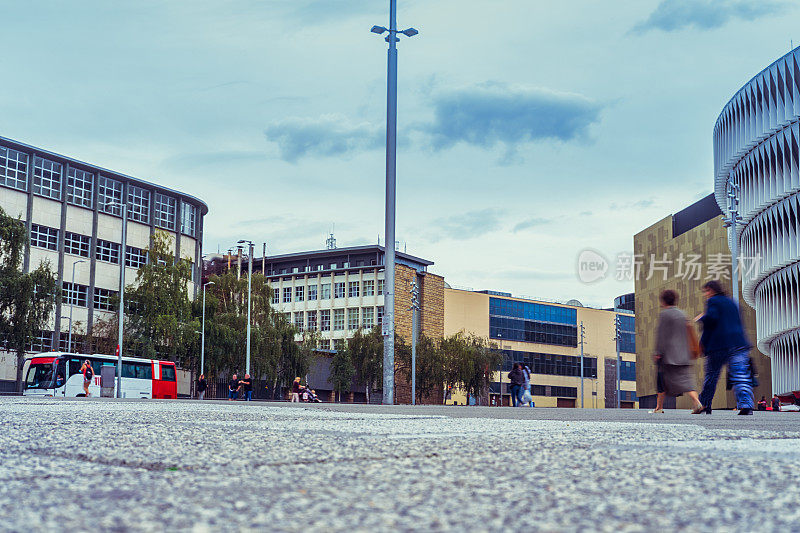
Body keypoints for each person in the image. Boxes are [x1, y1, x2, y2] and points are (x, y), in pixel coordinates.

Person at [694, 280, 755, 415]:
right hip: (739, 343)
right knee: (740, 375)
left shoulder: (713, 301)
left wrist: (702, 319)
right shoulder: (733, 303)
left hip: (719, 344)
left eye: (706, 291)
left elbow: (711, 321)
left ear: (711, 290)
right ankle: (746, 405)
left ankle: (704, 404)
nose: (705, 295)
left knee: (711, 376)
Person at [651, 290, 703, 413]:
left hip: (669, 355)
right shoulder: (682, 314)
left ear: (663, 301)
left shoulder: (665, 314)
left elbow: (662, 335)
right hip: (684, 355)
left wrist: (658, 352)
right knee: (687, 381)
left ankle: (659, 407)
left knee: (661, 379)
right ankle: (697, 402)